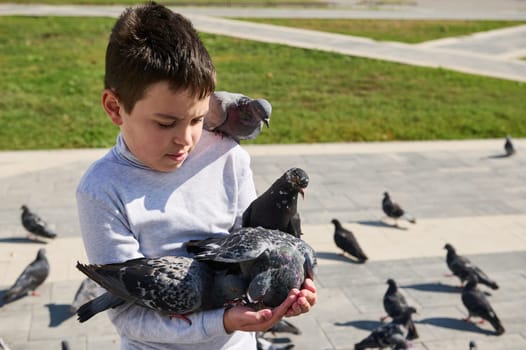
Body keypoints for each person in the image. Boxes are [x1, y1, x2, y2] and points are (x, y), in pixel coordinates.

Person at [76, 2, 316, 349]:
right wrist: (220, 321)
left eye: (198, 119)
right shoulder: (101, 189)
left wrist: (284, 289)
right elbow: (128, 316)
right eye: (165, 123)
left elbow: (256, 253)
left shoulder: (227, 157)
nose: (186, 139)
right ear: (115, 107)